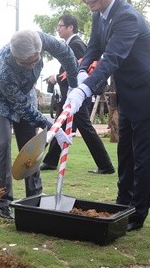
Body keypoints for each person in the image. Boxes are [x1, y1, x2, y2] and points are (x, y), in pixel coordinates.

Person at [64, 0, 150, 231]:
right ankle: (122, 205)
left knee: (142, 157)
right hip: (126, 93)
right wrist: (79, 74)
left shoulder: (126, 17)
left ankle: (137, 215)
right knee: (125, 154)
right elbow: (93, 49)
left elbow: (111, 58)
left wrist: (86, 89)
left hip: (147, 92)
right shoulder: (99, 16)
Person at [0, 29, 79, 220]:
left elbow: (65, 53)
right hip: (0, 99)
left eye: (35, 61)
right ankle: (2, 201)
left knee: (30, 145)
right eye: (26, 63)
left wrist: (74, 83)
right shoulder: (2, 69)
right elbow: (21, 107)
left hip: (26, 93)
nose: (31, 66)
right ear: (16, 56)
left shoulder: (40, 39)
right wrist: (53, 127)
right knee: (3, 144)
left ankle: (35, 196)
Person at [41, 14, 115, 175]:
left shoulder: (76, 45)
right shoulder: (72, 44)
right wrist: (57, 77)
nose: (58, 29)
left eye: (61, 26)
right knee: (60, 126)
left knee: (82, 129)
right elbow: (70, 70)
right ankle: (50, 161)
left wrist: (60, 80)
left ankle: (106, 165)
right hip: (73, 95)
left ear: (70, 27)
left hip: (77, 96)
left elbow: (82, 70)